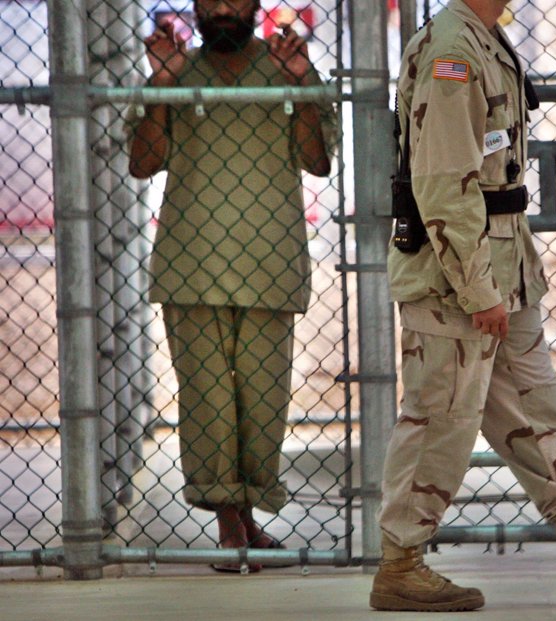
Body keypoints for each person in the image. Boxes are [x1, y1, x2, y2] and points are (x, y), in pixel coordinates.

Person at [370, 0, 556, 611]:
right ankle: (400, 565)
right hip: (458, 276)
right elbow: (443, 181)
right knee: (441, 414)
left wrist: (497, 286)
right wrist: (478, 290)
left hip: (502, 266)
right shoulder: (452, 50)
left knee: (533, 403)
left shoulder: (483, 36)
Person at [127, 0, 335, 571]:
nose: (222, 9)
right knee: (208, 402)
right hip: (192, 265)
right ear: (194, 7)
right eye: (211, 0)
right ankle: (231, 527)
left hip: (269, 263)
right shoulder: (176, 70)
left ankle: (244, 520)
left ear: (254, 6)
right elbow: (143, 163)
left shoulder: (285, 67)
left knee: (262, 404)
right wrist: (161, 89)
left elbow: (318, 162)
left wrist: (302, 89)